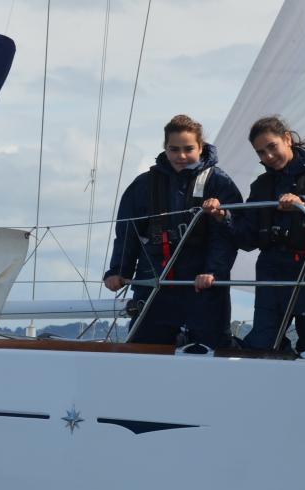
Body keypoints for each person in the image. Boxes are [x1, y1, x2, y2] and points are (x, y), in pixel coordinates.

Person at [205, 116, 305, 353]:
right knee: (262, 344)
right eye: (261, 152)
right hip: (273, 266)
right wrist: (224, 217)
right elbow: (248, 239)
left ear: (287, 139)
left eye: (272, 147)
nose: (269, 156)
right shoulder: (261, 185)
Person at [103, 114, 242, 348]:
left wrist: (213, 272)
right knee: (145, 348)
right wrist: (118, 271)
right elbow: (127, 232)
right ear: (165, 148)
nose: (181, 156)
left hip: (202, 283)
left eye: (189, 149)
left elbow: (227, 237)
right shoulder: (143, 184)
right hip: (155, 280)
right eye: (174, 149)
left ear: (201, 147)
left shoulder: (219, 183)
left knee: (211, 346)